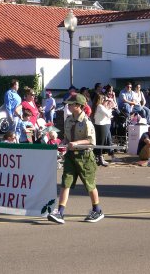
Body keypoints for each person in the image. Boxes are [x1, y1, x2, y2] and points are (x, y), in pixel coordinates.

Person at [47, 94, 104, 224]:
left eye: (71, 104)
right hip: (71, 156)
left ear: (78, 106)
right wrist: (63, 142)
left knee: (89, 184)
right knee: (65, 182)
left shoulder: (86, 122)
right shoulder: (68, 120)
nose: (69, 106)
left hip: (84, 157)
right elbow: (67, 137)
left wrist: (77, 143)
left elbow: (91, 141)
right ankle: (60, 212)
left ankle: (97, 209)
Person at [92, 94, 113, 167]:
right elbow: (109, 115)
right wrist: (110, 108)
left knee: (101, 142)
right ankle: (100, 158)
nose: (106, 101)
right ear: (102, 100)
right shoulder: (100, 106)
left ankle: (99, 157)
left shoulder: (100, 107)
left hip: (101, 125)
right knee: (101, 142)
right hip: (101, 126)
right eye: (105, 100)